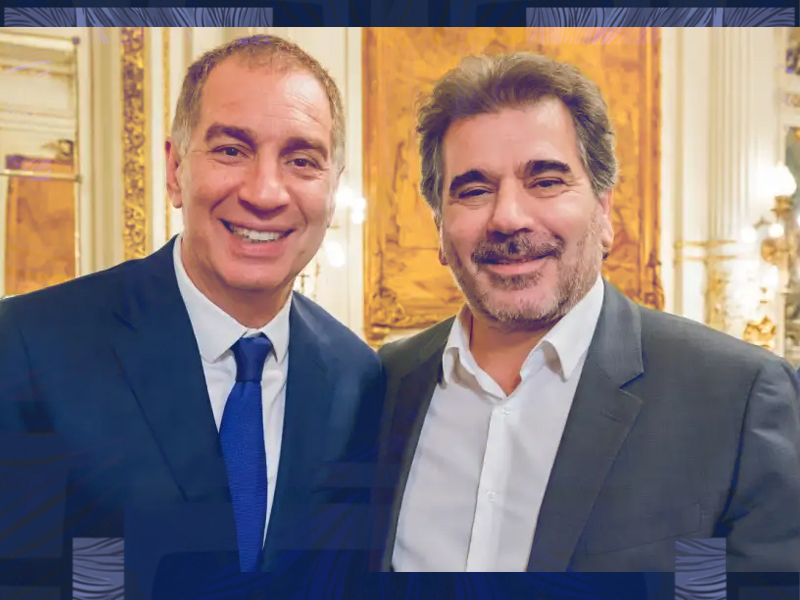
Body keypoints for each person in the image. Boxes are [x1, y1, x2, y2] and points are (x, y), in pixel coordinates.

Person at [372, 52, 800, 573]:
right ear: (440, 227)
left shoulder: (734, 399)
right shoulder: (385, 384)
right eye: (475, 190)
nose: (508, 217)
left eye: (546, 181)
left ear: (603, 210)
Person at [0, 34, 383, 599]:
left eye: (302, 160)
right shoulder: (31, 346)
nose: (265, 192)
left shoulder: (360, 375)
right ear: (175, 170)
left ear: (332, 189)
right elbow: (24, 577)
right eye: (231, 150)